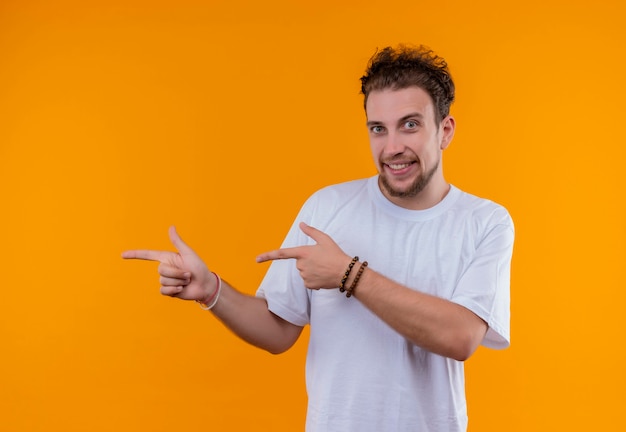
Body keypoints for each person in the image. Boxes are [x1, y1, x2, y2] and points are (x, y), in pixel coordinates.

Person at [123, 44, 514, 432]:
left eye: (410, 125)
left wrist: (350, 275)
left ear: (444, 130)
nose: (392, 147)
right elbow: (278, 331)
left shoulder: (485, 222)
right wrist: (212, 291)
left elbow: (460, 337)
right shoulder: (327, 208)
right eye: (378, 129)